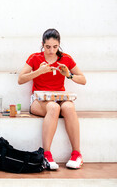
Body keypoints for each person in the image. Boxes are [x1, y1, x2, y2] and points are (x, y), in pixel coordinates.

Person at [18, 29, 86, 170]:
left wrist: (69, 75)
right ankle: (46, 154)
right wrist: (38, 72)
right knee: (53, 108)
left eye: (55, 47)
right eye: (48, 47)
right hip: (39, 101)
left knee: (68, 107)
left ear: (59, 45)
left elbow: (83, 80)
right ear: (42, 44)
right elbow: (20, 79)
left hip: (59, 98)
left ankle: (77, 154)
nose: (51, 50)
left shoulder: (65, 58)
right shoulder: (35, 58)